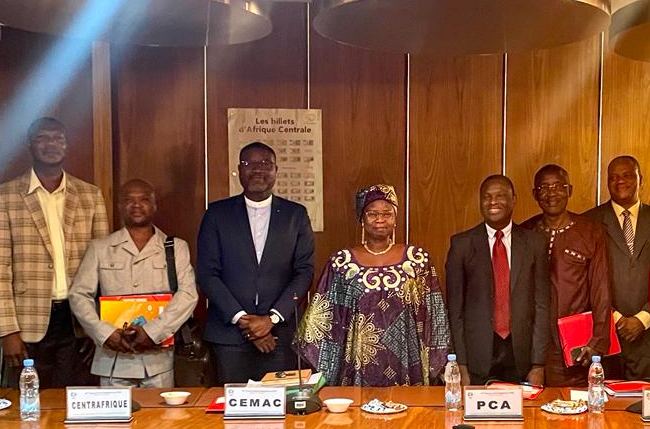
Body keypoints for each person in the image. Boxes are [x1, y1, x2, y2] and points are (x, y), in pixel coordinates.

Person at [0, 117, 109, 388]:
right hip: (26, 322)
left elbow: (104, 267)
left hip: (78, 320)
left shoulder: (90, 195)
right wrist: (8, 331)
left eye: (58, 138)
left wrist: (100, 325)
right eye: (43, 138)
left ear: (67, 145)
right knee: (28, 402)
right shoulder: (4, 196)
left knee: (73, 398)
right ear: (30, 145)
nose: (51, 144)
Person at [295, 185, 449, 386]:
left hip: (407, 363)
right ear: (362, 218)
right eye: (372, 214)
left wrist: (439, 358)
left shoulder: (417, 260)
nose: (380, 220)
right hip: (356, 366)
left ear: (395, 218)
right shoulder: (342, 263)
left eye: (387, 214)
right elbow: (323, 319)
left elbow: (434, 313)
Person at [196, 142, 315, 384]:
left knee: (281, 403)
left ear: (276, 170)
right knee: (231, 403)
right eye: (249, 163)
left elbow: (304, 272)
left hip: (280, 335)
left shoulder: (295, 215)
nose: (258, 169)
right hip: (229, 338)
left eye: (265, 164)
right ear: (239, 170)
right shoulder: (216, 214)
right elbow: (207, 274)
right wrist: (245, 321)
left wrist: (271, 319)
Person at [69, 180, 198, 388]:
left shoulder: (175, 248)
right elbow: (79, 295)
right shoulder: (100, 248)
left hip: (158, 361)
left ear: (154, 205)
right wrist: (104, 333)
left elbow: (188, 295)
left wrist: (152, 332)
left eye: (144, 199)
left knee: (159, 411)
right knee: (113, 412)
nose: (136, 205)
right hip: (113, 360)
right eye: (129, 200)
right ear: (120, 206)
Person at [446, 175, 549, 386]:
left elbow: (542, 306)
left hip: (521, 356)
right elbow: (455, 311)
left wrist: (538, 364)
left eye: (500, 196)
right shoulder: (462, 245)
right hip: (476, 357)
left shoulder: (535, 243)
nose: (493, 202)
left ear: (513, 200)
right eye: (487, 197)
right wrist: (460, 365)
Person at [521, 164, 612, 386]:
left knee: (573, 404)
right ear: (535, 194)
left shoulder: (591, 231)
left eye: (558, 187)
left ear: (569, 190)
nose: (551, 193)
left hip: (578, 343)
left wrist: (598, 340)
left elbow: (601, 290)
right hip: (532, 343)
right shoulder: (525, 232)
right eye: (544, 188)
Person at [585, 155, 650, 379]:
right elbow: (584, 278)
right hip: (604, 336)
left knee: (644, 398)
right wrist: (615, 318)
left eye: (627, 176)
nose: (620, 181)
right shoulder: (589, 221)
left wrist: (644, 318)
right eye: (613, 177)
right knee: (604, 398)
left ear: (640, 179)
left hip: (649, 335)